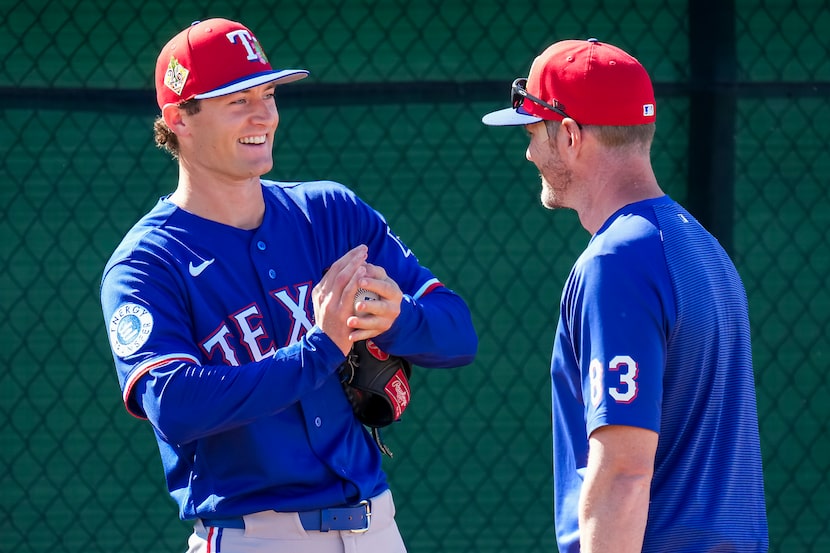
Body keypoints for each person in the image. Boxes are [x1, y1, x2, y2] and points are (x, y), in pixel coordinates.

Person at [100, 18, 477, 553]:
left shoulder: (330, 212)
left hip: (376, 527)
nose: (264, 114)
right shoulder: (147, 263)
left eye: (268, 93)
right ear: (178, 118)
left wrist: (402, 321)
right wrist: (319, 350)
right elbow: (174, 404)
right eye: (236, 100)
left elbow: (458, 334)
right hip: (253, 535)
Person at [481, 38, 768, 552]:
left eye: (532, 131)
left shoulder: (616, 264)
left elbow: (624, 474)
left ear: (569, 135)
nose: (528, 152)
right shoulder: (703, 246)